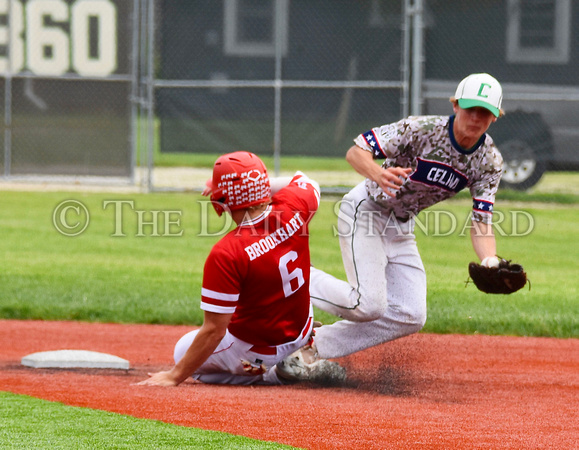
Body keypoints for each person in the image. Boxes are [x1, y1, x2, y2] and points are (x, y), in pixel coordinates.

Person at [279, 73, 506, 374]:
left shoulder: (488, 161)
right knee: (368, 305)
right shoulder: (421, 129)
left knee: (411, 314)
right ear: (455, 105)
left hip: (401, 226)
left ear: (495, 118)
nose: (476, 118)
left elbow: (481, 222)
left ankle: (313, 345)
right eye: (470, 109)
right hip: (367, 209)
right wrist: (376, 172)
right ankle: (280, 273)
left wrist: (489, 260)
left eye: (485, 112)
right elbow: (356, 151)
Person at [138, 151, 344, 387]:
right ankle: (301, 351)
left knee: (183, 351)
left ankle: (273, 374)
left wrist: (174, 375)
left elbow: (214, 331)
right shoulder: (294, 206)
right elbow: (306, 181)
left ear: (223, 197)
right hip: (302, 326)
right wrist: (254, 184)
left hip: (259, 351)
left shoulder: (227, 252)